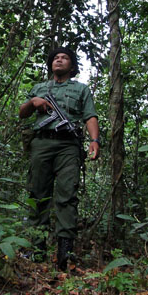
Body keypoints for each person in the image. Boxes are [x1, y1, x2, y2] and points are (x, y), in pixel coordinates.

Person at [18, 47, 100, 270]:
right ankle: (36, 249)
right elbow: (22, 113)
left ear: (72, 66)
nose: (59, 60)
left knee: (67, 194)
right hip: (41, 143)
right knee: (38, 193)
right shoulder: (39, 88)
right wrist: (34, 101)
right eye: (56, 58)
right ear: (51, 64)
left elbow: (90, 115)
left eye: (64, 58)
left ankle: (65, 252)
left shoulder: (81, 89)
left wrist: (95, 140)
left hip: (68, 145)